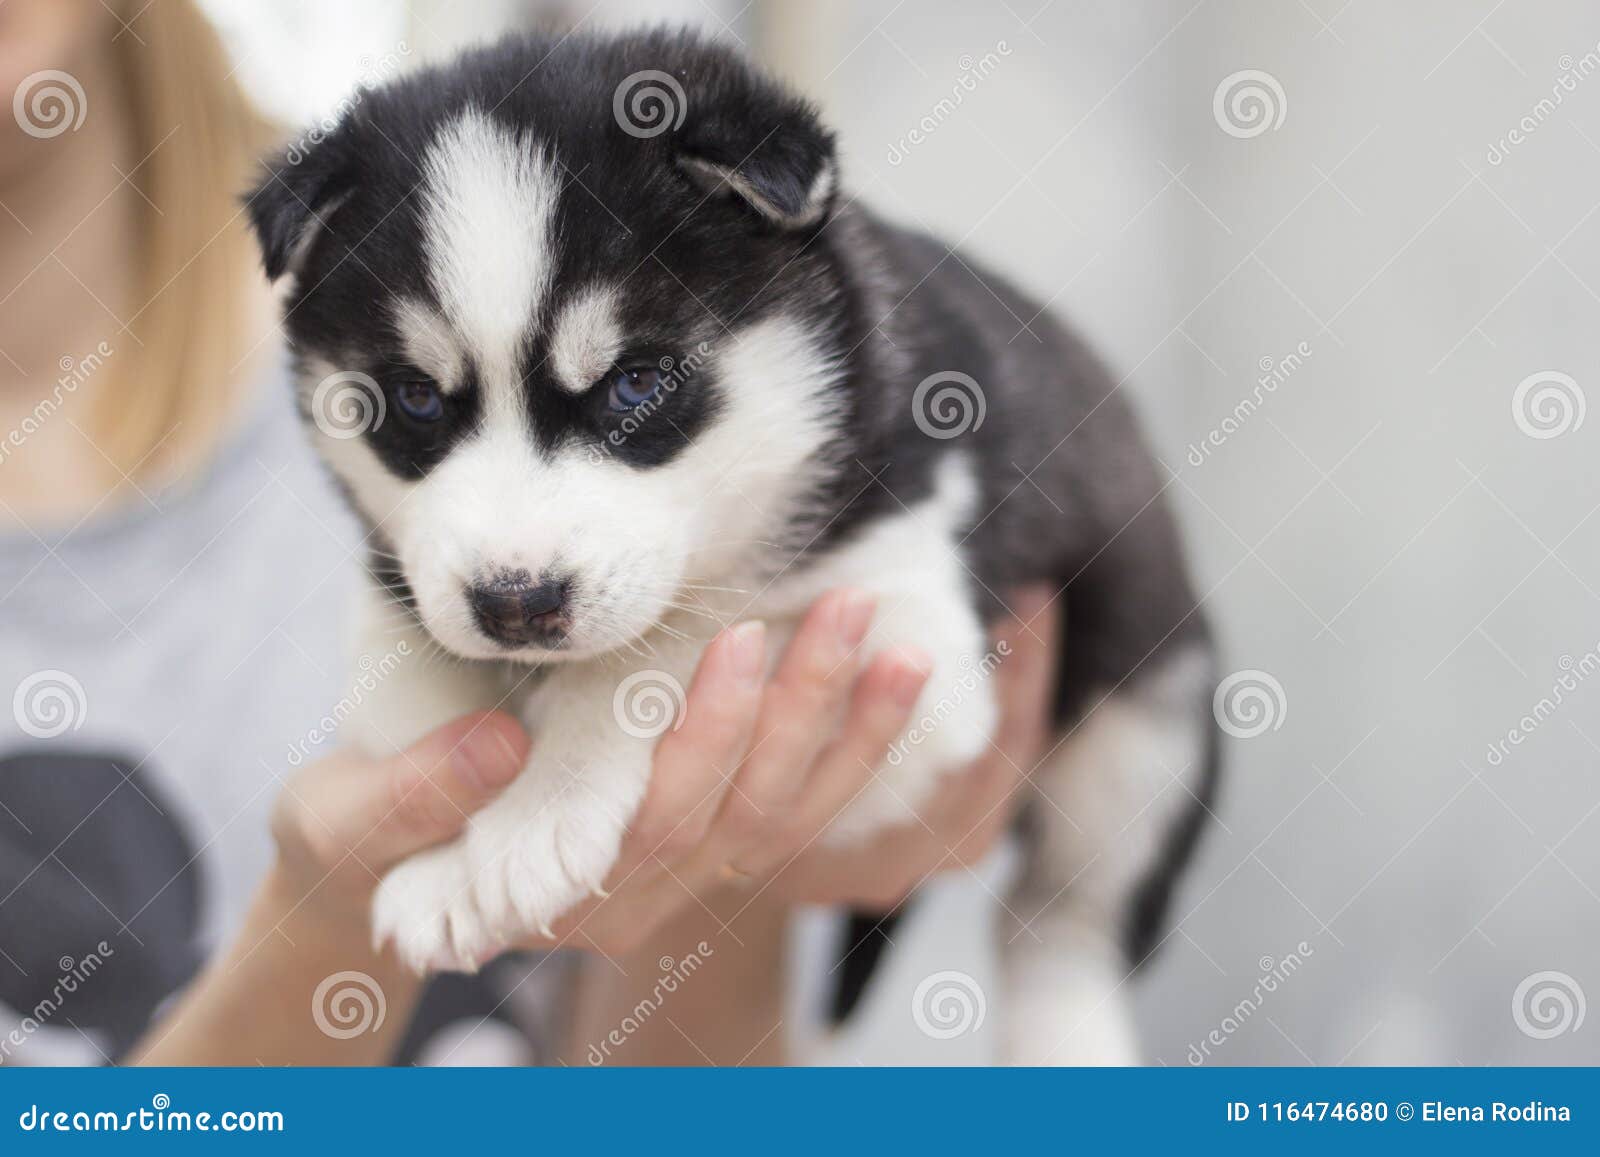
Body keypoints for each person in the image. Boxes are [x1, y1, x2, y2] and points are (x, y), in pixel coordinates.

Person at [0, 0, 1055, 1066]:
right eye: (416, 404)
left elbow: (680, 1098)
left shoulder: (395, 199)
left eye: (633, 384)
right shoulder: (347, 239)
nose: (514, 560)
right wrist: (328, 930)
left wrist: (724, 846)